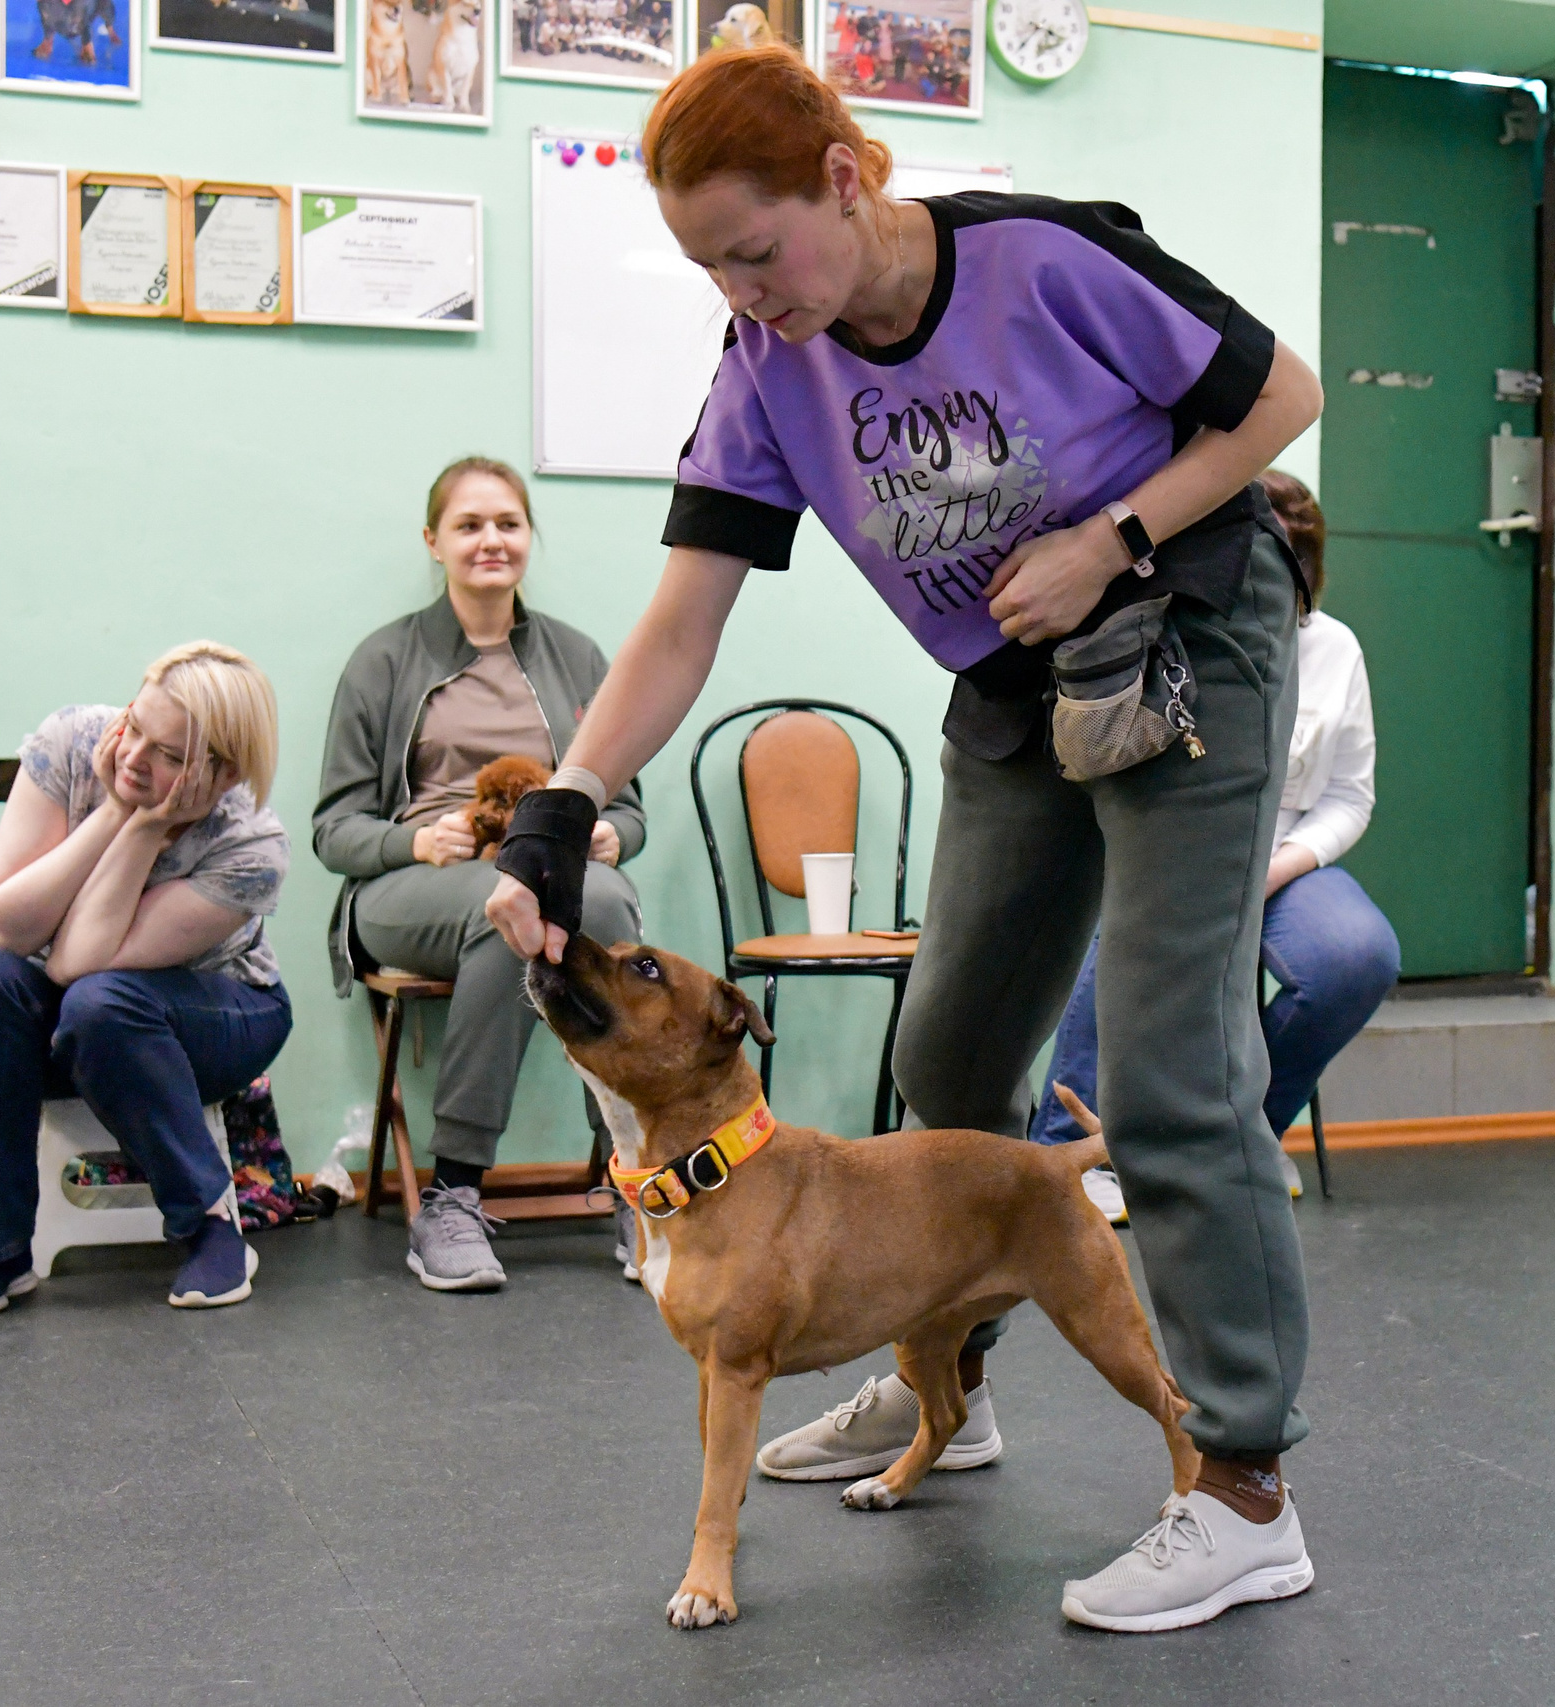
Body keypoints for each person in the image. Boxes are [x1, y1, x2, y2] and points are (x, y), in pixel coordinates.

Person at [480, 45, 1328, 1631]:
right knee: (949, 1059)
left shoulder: (1040, 258)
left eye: (755, 248)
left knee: (1165, 1065)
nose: (743, 291)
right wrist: (560, 805)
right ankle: (953, 1388)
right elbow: (680, 625)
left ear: (846, 180)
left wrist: (1110, 535)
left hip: (1183, 631)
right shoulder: (765, 364)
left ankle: (1243, 1486)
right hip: (1012, 690)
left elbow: (1282, 394)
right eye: (706, 268)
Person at [313, 456, 647, 1294]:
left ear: (530, 538)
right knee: (513, 911)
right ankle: (454, 1192)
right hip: (409, 887)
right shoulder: (384, 659)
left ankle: (630, 1177)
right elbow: (334, 828)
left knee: (599, 899)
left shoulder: (577, 658)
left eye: (507, 523)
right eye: (469, 525)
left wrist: (610, 833)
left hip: (544, 874)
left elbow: (633, 807)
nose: (490, 540)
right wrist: (413, 843)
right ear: (434, 542)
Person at [1030, 470, 1402, 1218]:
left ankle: (1238, 1141)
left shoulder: (1334, 648)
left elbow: (1348, 796)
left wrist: (1276, 868)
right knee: (1128, 931)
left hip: (1284, 856)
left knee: (1358, 955)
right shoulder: (1162, 624)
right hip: (1173, 845)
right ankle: (1069, 1155)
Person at [0, 641, 292, 1318]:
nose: (132, 756)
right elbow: (8, 925)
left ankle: (211, 1227)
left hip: (217, 1014)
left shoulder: (252, 848)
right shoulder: (71, 741)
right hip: (85, 1011)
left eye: (170, 755)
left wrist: (146, 829)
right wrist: (113, 815)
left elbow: (77, 965)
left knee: (101, 1003)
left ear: (224, 773)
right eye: (136, 726)